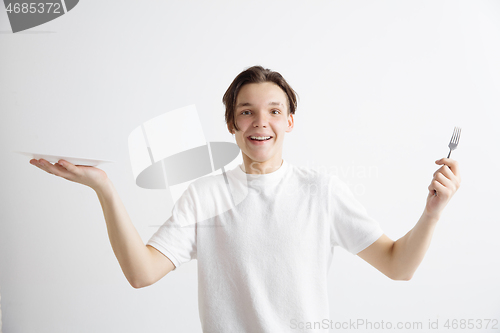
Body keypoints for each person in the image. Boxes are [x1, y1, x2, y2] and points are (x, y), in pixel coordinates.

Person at [30, 65, 461, 332]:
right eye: (247, 111)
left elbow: (398, 266)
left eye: (274, 110)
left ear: (290, 121)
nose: (261, 122)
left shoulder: (321, 191)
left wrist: (432, 214)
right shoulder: (205, 196)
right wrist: (104, 187)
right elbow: (141, 273)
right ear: (232, 124)